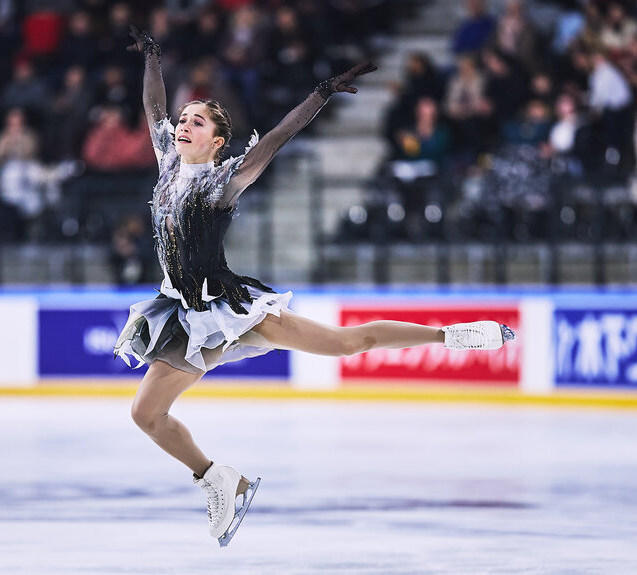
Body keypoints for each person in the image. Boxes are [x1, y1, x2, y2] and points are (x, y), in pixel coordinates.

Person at [115, 27, 517, 547]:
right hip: (181, 314)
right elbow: (153, 105)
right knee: (145, 414)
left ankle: (454, 337)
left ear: (218, 141)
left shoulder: (224, 181)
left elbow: (278, 136)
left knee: (347, 344)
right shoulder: (168, 163)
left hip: (228, 311)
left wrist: (319, 95)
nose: (183, 125)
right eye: (183, 119)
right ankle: (218, 478)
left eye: (198, 121)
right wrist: (152, 56)